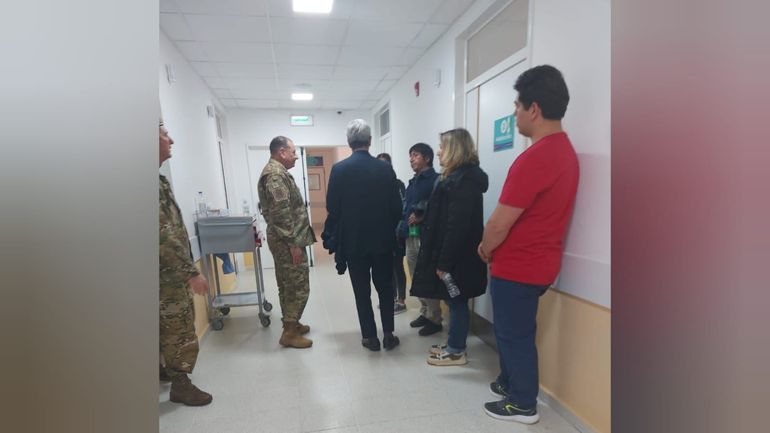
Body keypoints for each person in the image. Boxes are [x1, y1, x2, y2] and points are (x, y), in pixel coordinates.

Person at [478, 65, 579, 424]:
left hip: (519, 266)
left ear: (533, 109)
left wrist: (485, 247)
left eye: (517, 106)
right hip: (539, 263)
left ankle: (522, 404)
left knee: (514, 335)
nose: (515, 114)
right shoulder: (564, 151)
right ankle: (509, 383)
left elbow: (499, 222)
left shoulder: (537, 157)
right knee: (513, 330)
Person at [322, 119, 402, 351]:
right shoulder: (385, 169)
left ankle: (370, 337)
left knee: (361, 291)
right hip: (383, 241)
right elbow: (397, 208)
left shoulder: (339, 170)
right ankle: (389, 334)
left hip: (353, 242)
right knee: (385, 289)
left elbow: (332, 207)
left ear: (349, 142)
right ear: (370, 141)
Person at [411, 128, 489, 366]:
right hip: (455, 255)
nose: (439, 152)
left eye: (442, 147)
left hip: (458, 257)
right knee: (454, 299)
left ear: (455, 149)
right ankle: (453, 343)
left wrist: (444, 262)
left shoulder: (463, 182)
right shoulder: (455, 178)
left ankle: (456, 350)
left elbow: (456, 226)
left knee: (456, 300)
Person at [159, 119, 213, 406]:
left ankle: (163, 369)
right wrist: (190, 272)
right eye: (165, 135)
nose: (171, 140)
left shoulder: (158, 181)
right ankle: (180, 383)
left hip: (164, 272)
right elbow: (162, 234)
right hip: (167, 276)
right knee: (178, 327)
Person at [257, 136, 316, 349]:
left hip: (284, 239)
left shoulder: (278, 173)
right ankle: (289, 332)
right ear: (281, 152)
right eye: (293, 152)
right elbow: (281, 213)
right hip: (287, 241)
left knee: (287, 282)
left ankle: (292, 323)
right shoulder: (275, 175)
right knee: (296, 285)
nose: (296, 157)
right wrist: (293, 244)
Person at [397, 143, 442, 336]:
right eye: (410, 155)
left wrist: (423, 216)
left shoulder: (436, 180)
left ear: (427, 158)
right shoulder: (413, 182)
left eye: (415, 155)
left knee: (426, 276)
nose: (411, 159)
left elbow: (438, 207)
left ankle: (435, 318)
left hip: (426, 236)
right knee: (415, 276)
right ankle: (425, 312)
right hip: (411, 235)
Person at [375, 152, 408, 315]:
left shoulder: (398, 184)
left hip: (397, 233)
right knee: (386, 268)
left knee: (397, 266)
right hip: (382, 234)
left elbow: (402, 208)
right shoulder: (374, 185)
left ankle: (401, 300)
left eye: (385, 163)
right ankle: (392, 298)